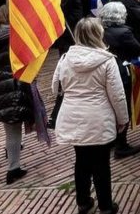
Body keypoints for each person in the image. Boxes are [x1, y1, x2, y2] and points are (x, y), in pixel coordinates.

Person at [52, 18, 128, 214]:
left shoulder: (65, 59)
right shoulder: (107, 60)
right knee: (101, 163)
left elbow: (55, 87)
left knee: (81, 160)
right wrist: (123, 119)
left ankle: (83, 201)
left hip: (73, 116)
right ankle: (105, 205)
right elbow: (117, 95)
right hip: (98, 117)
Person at [0, 5, 34, 184]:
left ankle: (11, 151)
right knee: (14, 127)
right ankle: (13, 168)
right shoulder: (17, 35)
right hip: (14, 82)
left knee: (8, 124)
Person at [99, 2, 140, 159]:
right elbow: (136, 49)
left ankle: (112, 138)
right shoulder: (125, 32)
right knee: (122, 105)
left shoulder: (100, 30)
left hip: (104, 70)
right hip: (121, 70)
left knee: (109, 105)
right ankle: (121, 144)